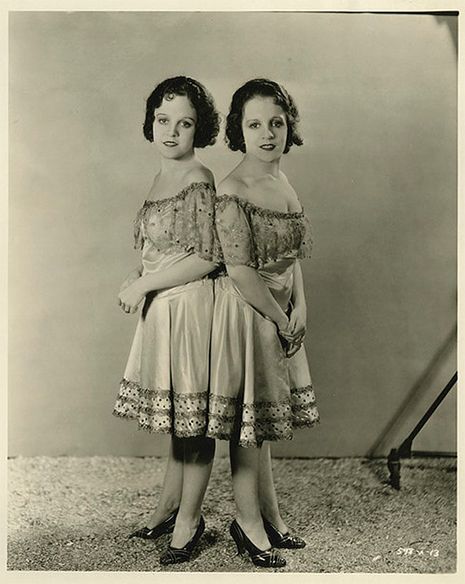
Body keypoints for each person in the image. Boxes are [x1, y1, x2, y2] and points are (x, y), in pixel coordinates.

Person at [209, 79, 320, 568]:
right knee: (247, 426)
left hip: (279, 309)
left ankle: (269, 515)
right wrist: (279, 318)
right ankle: (246, 522)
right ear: (239, 130)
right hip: (249, 311)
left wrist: (301, 308)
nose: (268, 133)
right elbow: (239, 271)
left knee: (266, 421)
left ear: (288, 126)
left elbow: (291, 257)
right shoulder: (233, 188)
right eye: (255, 124)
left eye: (276, 123)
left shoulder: (282, 182)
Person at [112, 76, 220, 565]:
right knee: (179, 420)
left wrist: (144, 285)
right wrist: (139, 275)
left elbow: (209, 258)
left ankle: (189, 522)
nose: (172, 132)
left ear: (200, 130)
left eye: (185, 123)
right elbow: (164, 249)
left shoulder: (198, 177)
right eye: (163, 120)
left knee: (193, 422)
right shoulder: (161, 177)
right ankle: (167, 507)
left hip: (190, 309)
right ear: (150, 122)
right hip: (163, 307)